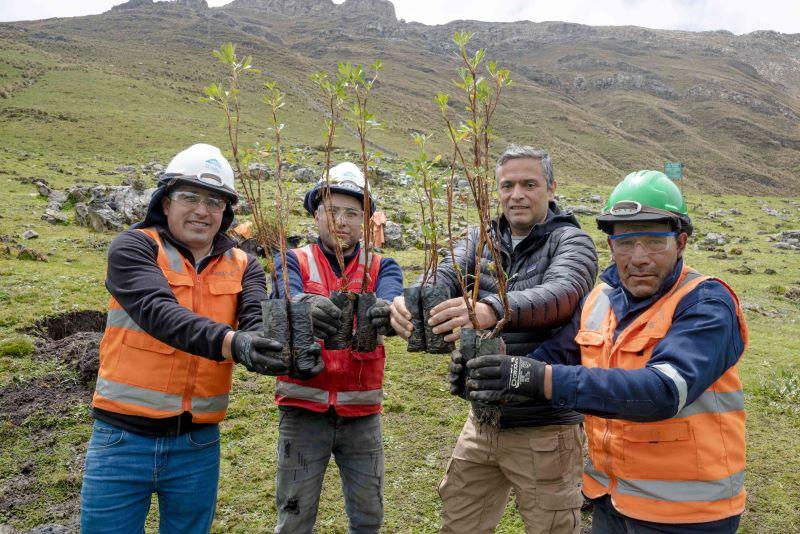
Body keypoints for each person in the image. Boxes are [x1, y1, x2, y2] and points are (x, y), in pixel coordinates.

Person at [466, 170, 747, 533]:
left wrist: (535, 378)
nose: (639, 258)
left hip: (687, 515)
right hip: (611, 499)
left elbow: (662, 392)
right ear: (610, 244)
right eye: (626, 242)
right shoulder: (600, 300)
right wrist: (498, 373)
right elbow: (557, 355)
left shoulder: (706, 304)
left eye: (654, 241)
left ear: (681, 242)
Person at [80, 144, 296, 533]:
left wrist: (285, 345)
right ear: (165, 202)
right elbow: (159, 313)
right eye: (190, 197)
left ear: (225, 213)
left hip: (197, 445)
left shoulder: (244, 264)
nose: (202, 210)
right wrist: (234, 344)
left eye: (214, 202)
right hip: (121, 440)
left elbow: (254, 324)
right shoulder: (135, 247)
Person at [389, 145, 599, 533]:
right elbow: (448, 270)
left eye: (529, 184)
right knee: (460, 520)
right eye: (508, 185)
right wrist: (413, 296)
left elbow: (562, 293)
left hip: (545, 428)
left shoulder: (572, 242)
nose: (516, 194)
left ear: (551, 189)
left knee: (551, 526)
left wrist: (491, 308)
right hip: (483, 421)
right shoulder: (482, 238)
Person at [271, 162, 403, 534]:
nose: (341, 221)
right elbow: (285, 293)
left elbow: (392, 301)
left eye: (351, 212)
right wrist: (304, 306)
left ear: (365, 220)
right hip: (302, 411)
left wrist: (387, 311)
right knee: (293, 518)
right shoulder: (292, 260)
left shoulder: (382, 266)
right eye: (331, 210)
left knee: (368, 516)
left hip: (362, 413)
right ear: (316, 215)